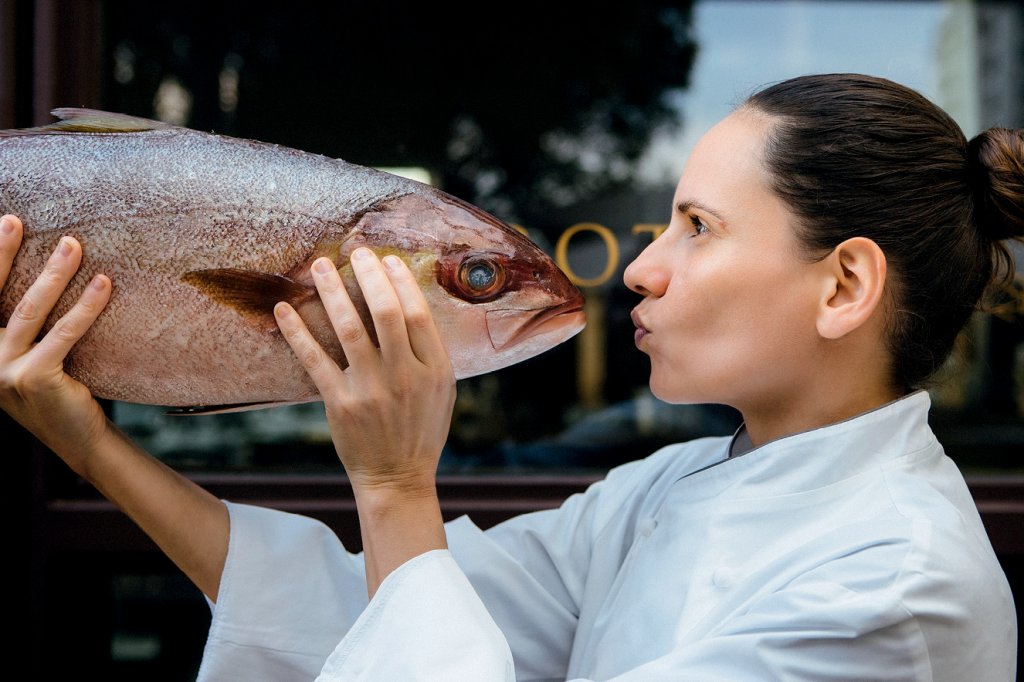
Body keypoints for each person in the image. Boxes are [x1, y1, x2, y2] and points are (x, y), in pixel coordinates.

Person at [1, 73, 1019, 680]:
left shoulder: (897, 587)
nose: (640, 268)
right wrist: (89, 441)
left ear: (843, 285)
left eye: (698, 228)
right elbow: (358, 609)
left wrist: (399, 486)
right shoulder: (666, 489)